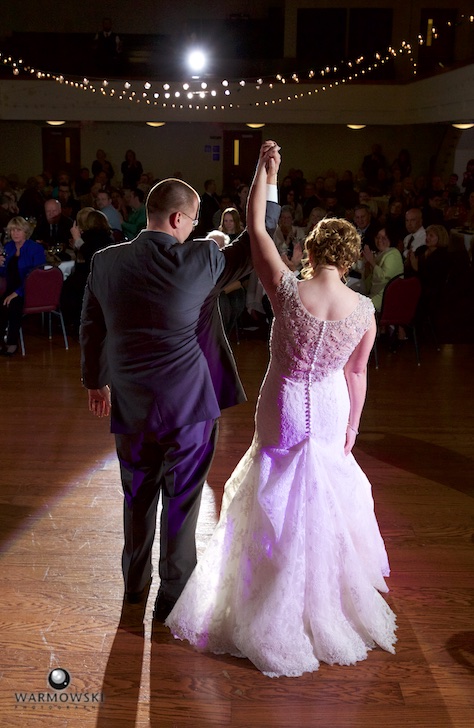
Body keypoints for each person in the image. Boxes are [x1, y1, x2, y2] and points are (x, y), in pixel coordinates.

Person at [166, 143, 397, 678]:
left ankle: (265, 600)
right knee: (324, 497)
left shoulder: (289, 291)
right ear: (351, 255)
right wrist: (354, 426)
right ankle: (322, 603)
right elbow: (357, 372)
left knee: (272, 490)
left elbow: (257, 230)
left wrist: (265, 175)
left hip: (286, 399)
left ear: (312, 251)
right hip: (333, 404)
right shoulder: (364, 310)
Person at [80, 142, 280, 622]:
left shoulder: (105, 263)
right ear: (176, 220)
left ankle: (133, 588)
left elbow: (91, 328)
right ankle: (172, 599)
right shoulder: (201, 263)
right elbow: (260, 237)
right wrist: (266, 179)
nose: (193, 230)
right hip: (189, 407)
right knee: (183, 504)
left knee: (136, 497)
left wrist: (95, 383)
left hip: (129, 405)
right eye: (191, 222)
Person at [0, 216, 46, 356]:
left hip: (29, 289)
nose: (15, 233)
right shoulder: (8, 248)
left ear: (25, 231)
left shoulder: (35, 248)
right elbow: (4, 273)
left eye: (18, 230)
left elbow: (36, 276)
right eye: (12, 230)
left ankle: (12, 343)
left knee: (14, 304)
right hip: (10, 288)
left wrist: (17, 292)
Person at [362, 227, 404, 311]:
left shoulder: (393, 253)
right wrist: (367, 266)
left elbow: (384, 278)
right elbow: (369, 283)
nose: (380, 240)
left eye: (384, 238)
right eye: (377, 237)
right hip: (375, 294)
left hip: (386, 297)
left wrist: (372, 262)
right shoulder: (379, 255)